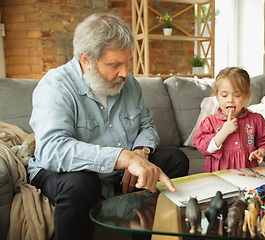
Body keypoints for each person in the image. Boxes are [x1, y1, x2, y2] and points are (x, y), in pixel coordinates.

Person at [27, 13, 189, 240]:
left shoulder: (128, 82)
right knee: (82, 183)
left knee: (175, 159)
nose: (124, 73)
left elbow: (146, 125)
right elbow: (52, 150)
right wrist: (123, 158)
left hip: (119, 172)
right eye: (115, 64)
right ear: (86, 60)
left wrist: (139, 153)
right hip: (64, 173)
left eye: (127, 63)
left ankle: (142, 234)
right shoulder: (55, 86)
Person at [193, 67, 265, 172]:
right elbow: (206, 148)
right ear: (217, 95)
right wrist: (224, 131)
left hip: (247, 172)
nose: (230, 100)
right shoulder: (209, 122)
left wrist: (260, 152)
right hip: (219, 174)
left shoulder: (256, 119)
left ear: (246, 96)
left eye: (237, 95)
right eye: (224, 95)